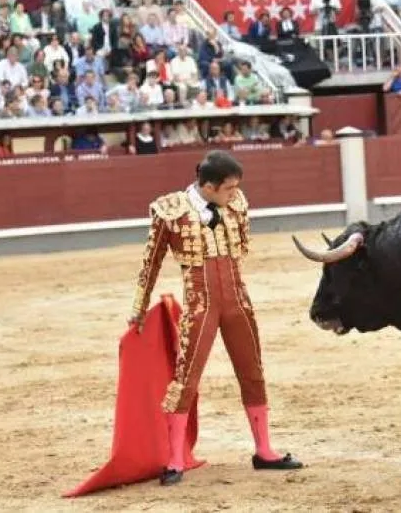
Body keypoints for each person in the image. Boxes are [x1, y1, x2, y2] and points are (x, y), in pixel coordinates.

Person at [129, 151, 304, 486]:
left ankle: (264, 450)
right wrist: (139, 307)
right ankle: (175, 459)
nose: (235, 194)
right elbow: (151, 262)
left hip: (238, 298)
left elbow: (240, 246)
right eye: (228, 188)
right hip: (200, 302)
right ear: (208, 187)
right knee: (186, 378)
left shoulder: (235, 204)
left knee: (253, 372)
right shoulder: (170, 210)